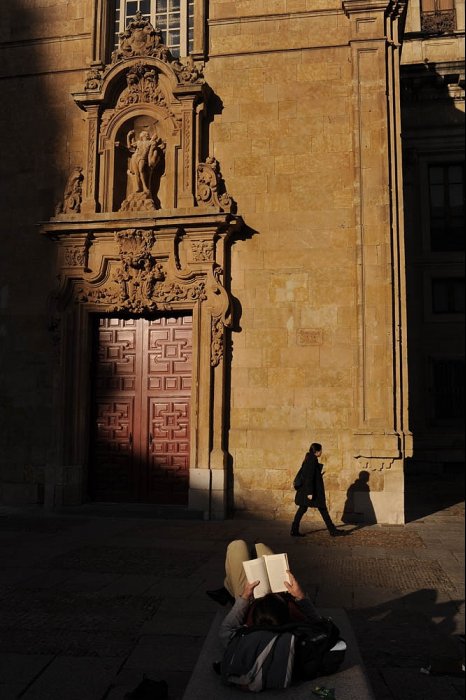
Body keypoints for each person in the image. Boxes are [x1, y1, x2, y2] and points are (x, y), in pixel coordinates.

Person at [206, 540, 344, 692]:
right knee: (260, 548)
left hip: (253, 596)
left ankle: (227, 588)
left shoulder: (243, 638)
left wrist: (244, 597)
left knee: (238, 546)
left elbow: (226, 627)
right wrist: (299, 596)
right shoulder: (295, 636)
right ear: (287, 614)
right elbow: (319, 625)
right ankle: (227, 587)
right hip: (275, 595)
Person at [291, 442, 345, 537]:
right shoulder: (312, 460)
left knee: (305, 509)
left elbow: (310, 475)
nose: (321, 452)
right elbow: (309, 477)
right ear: (317, 451)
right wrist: (309, 492)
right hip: (311, 491)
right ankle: (332, 531)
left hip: (309, 491)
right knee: (321, 509)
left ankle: (294, 530)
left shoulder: (310, 458)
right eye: (321, 450)